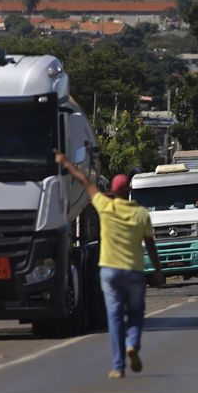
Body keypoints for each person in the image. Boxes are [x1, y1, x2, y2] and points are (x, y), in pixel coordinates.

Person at [53, 149, 164, 379]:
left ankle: (118, 366)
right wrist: (158, 271)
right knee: (135, 314)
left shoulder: (105, 206)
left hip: (110, 271)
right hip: (134, 272)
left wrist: (65, 161)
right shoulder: (141, 214)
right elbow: (150, 245)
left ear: (113, 191)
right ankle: (132, 344)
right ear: (130, 191)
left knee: (114, 318)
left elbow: (84, 179)